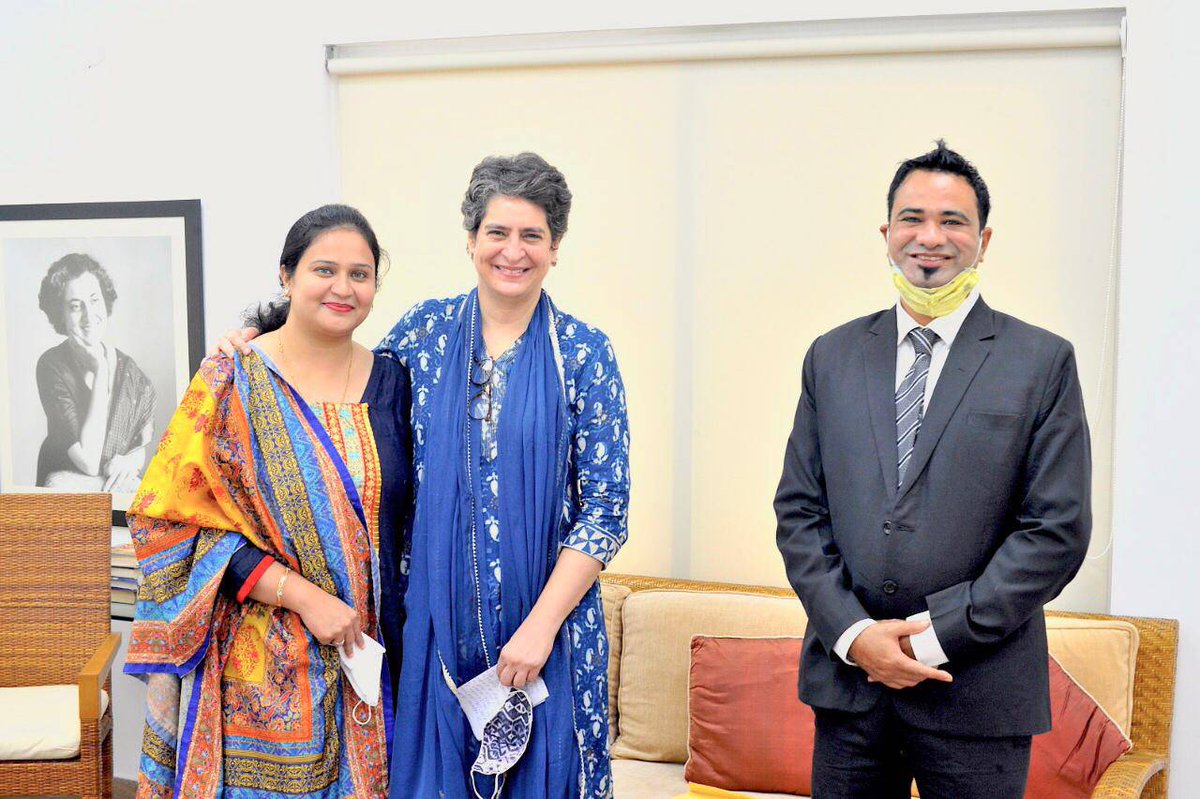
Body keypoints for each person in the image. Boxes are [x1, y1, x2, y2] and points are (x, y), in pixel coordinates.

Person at [223, 152, 629, 798]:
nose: (512, 250)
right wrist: (256, 340)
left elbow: (605, 509)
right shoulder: (425, 335)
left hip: (547, 641)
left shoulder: (583, 353)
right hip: (433, 636)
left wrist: (540, 627)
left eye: (532, 235)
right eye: (497, 232)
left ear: (556, 249)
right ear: (471, 241)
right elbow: (337, 379)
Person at [774, 141, 1091, 798]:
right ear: (886, 233)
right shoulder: (831, 356)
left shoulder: (1041, 362)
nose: (930, 237)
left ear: (983, 239)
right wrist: (857, 635)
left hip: (978, 693)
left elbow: (1054, 531)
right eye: (912, 218)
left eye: (953, 221)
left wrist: (935, 638)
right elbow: (800, 512)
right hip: (850, 689)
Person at [124, 204, 412, 799]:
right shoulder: (234, 377)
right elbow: (170, 521)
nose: (343, 287)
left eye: (360, 274)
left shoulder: (395, 382)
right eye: (324, 269)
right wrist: (303, 597)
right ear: (287, 276)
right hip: (259, 671)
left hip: (373, 662)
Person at [35, 253, 155, 491]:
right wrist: (101, 370)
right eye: (75, 306)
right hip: (63, 488)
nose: (89, 316)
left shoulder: (132, 374)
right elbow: (89, 462)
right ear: (60, 314)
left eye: (95, 300)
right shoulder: (51, 365)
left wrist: (130, 462)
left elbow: (139, 445)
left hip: (109, 487)